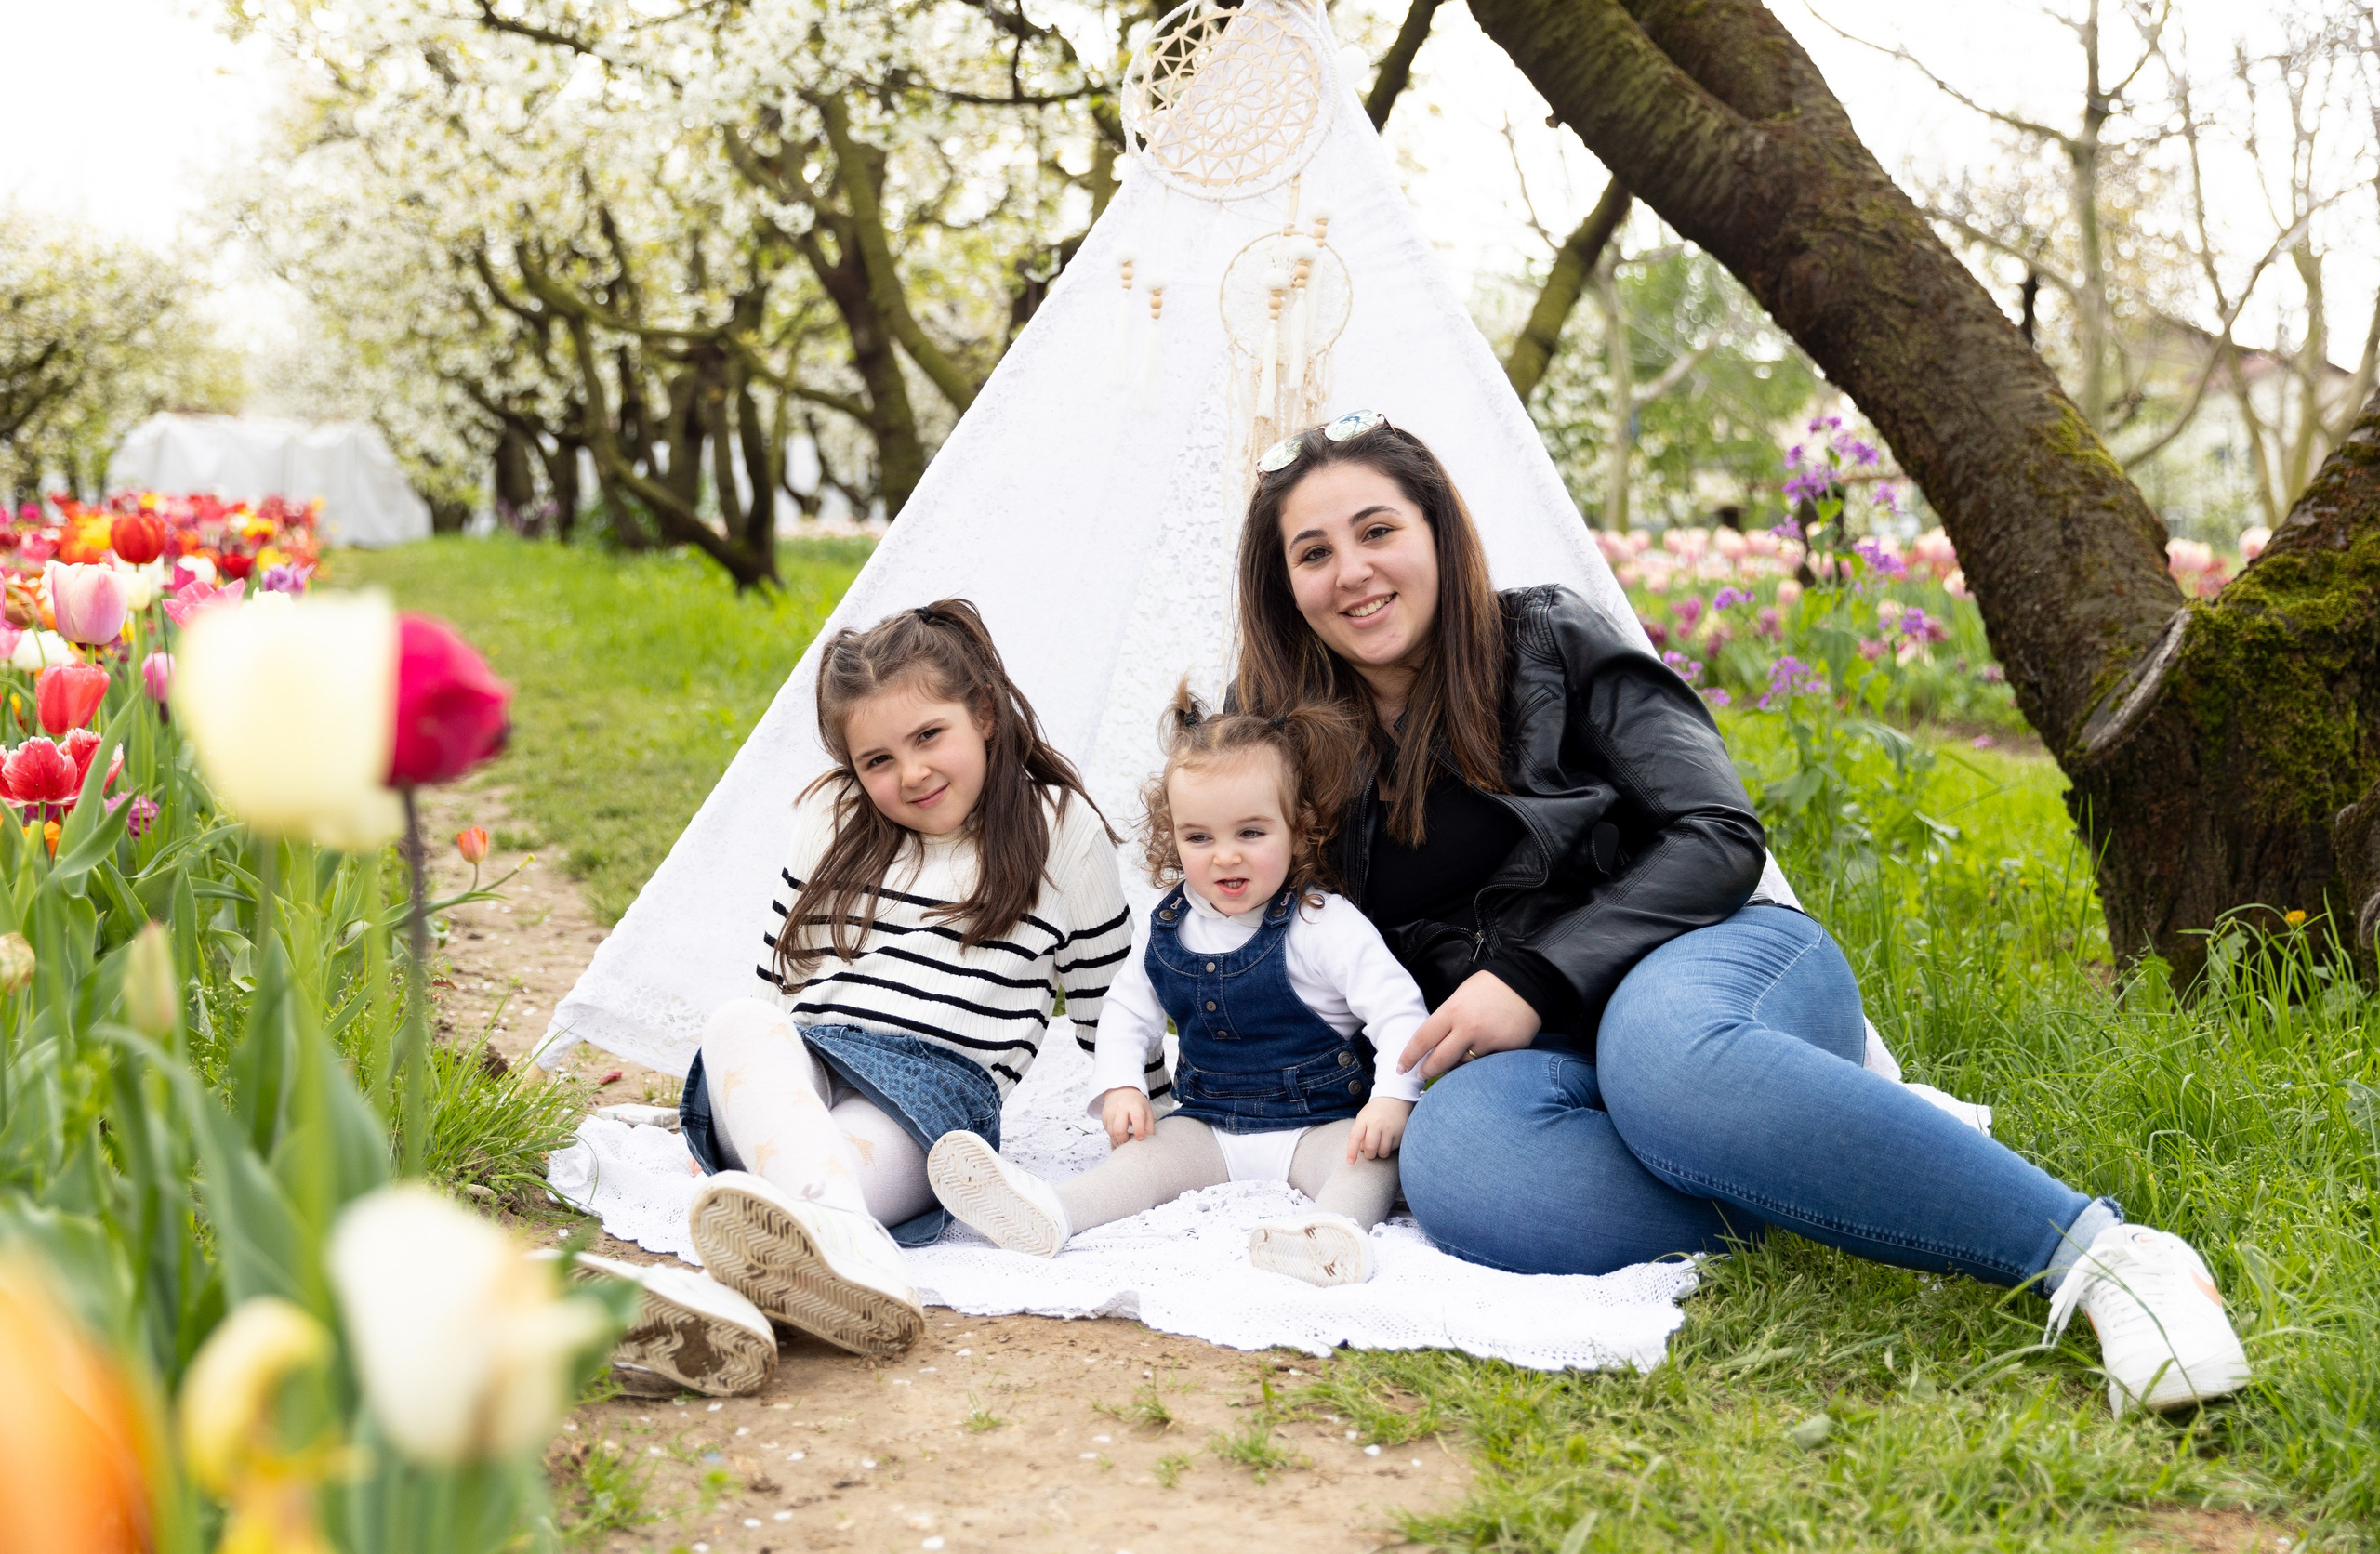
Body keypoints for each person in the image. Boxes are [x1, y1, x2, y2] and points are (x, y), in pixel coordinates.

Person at [1230, 407, 2250, 1416]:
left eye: (1376, 531)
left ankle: (2107, 1258)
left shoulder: (1546, 639)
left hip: (1713, 961)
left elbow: (1717, 832)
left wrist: (1536, 977)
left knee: (1663, 1060)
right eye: (1313, 552)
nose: (1352, 572)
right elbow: (1280, 937)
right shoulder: (1284, 744)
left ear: (1435, 533)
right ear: (1285, 587)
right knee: (1466, 1169)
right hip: (1534, 1061)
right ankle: (1820, 1138)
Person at [577, 599, 1144, 1389]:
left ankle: (725, 1305)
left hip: (926, 1096)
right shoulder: (832, 815)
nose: (909, 773)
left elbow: (1108, 999)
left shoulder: (1058, 827)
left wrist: (1146, 1100)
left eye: (927, 736)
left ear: (982, 712)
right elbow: (782, 982)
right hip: (807, 1065)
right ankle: (849, 1256)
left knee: (819, 1177)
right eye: (876, 759)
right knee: (740, 1022)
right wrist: (736, 1109)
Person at [924, 683, 1431, 1288]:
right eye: (1199, 837)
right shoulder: (1171, 926)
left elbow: (1398, 1010)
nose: (1224, 857)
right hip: (1210, 1123)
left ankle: (1330, 1232)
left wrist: (1393, 1098)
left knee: (1367, 1158)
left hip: (1316, 1125)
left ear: (1298, 830)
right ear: (1173, 837)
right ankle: (1051, 1210)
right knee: (1145, 1159)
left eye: (1251, 833)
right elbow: (1126, 1011)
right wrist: (1121, 1086)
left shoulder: (1322, 922)